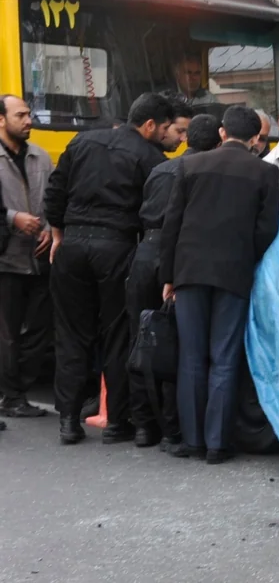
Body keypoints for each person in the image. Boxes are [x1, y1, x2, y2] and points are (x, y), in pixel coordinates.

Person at [43, 92, 173, 445]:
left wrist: (58, 233)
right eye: (164, 129)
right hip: (117, 247)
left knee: (70, 334)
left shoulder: (82, 141)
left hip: (72, 244)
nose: (167, 136)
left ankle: (68, 421)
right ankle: (117, 420)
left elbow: (54, 193)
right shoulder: (151, 158)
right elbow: (154, 211)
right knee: (117, 334)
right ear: (148, 125)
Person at [159, 105, 279, 463]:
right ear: (256, 138)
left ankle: (193, 440)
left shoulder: (190, 165)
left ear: (223, 132)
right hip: (235, 273)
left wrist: (169, 276)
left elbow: (172, 225)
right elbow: (267, 229)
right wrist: (247, 257)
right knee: (224, 358)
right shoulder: (265, 173)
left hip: (190, 271)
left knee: (191, 357)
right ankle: (217, 444)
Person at [126, 113, 219, 449]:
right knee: (176, 342)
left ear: (185, 139)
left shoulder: (160, 169)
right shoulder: (205, 173)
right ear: (219, 140)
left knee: (141, 338)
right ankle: (172, 427)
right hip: (180, 256)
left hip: (145, 252)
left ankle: (142, 425)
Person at [0, 94, 53, 419]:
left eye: (29, 114)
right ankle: (12, 396)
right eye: (20, 115)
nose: (28, 120)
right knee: (6, 334)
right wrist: (12, 217)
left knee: (40, 329)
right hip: (6, 259)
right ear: (2, 120)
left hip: (39, 258)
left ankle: (17, 388)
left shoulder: (41, 158)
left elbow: (54, 200)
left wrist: (50, 228)